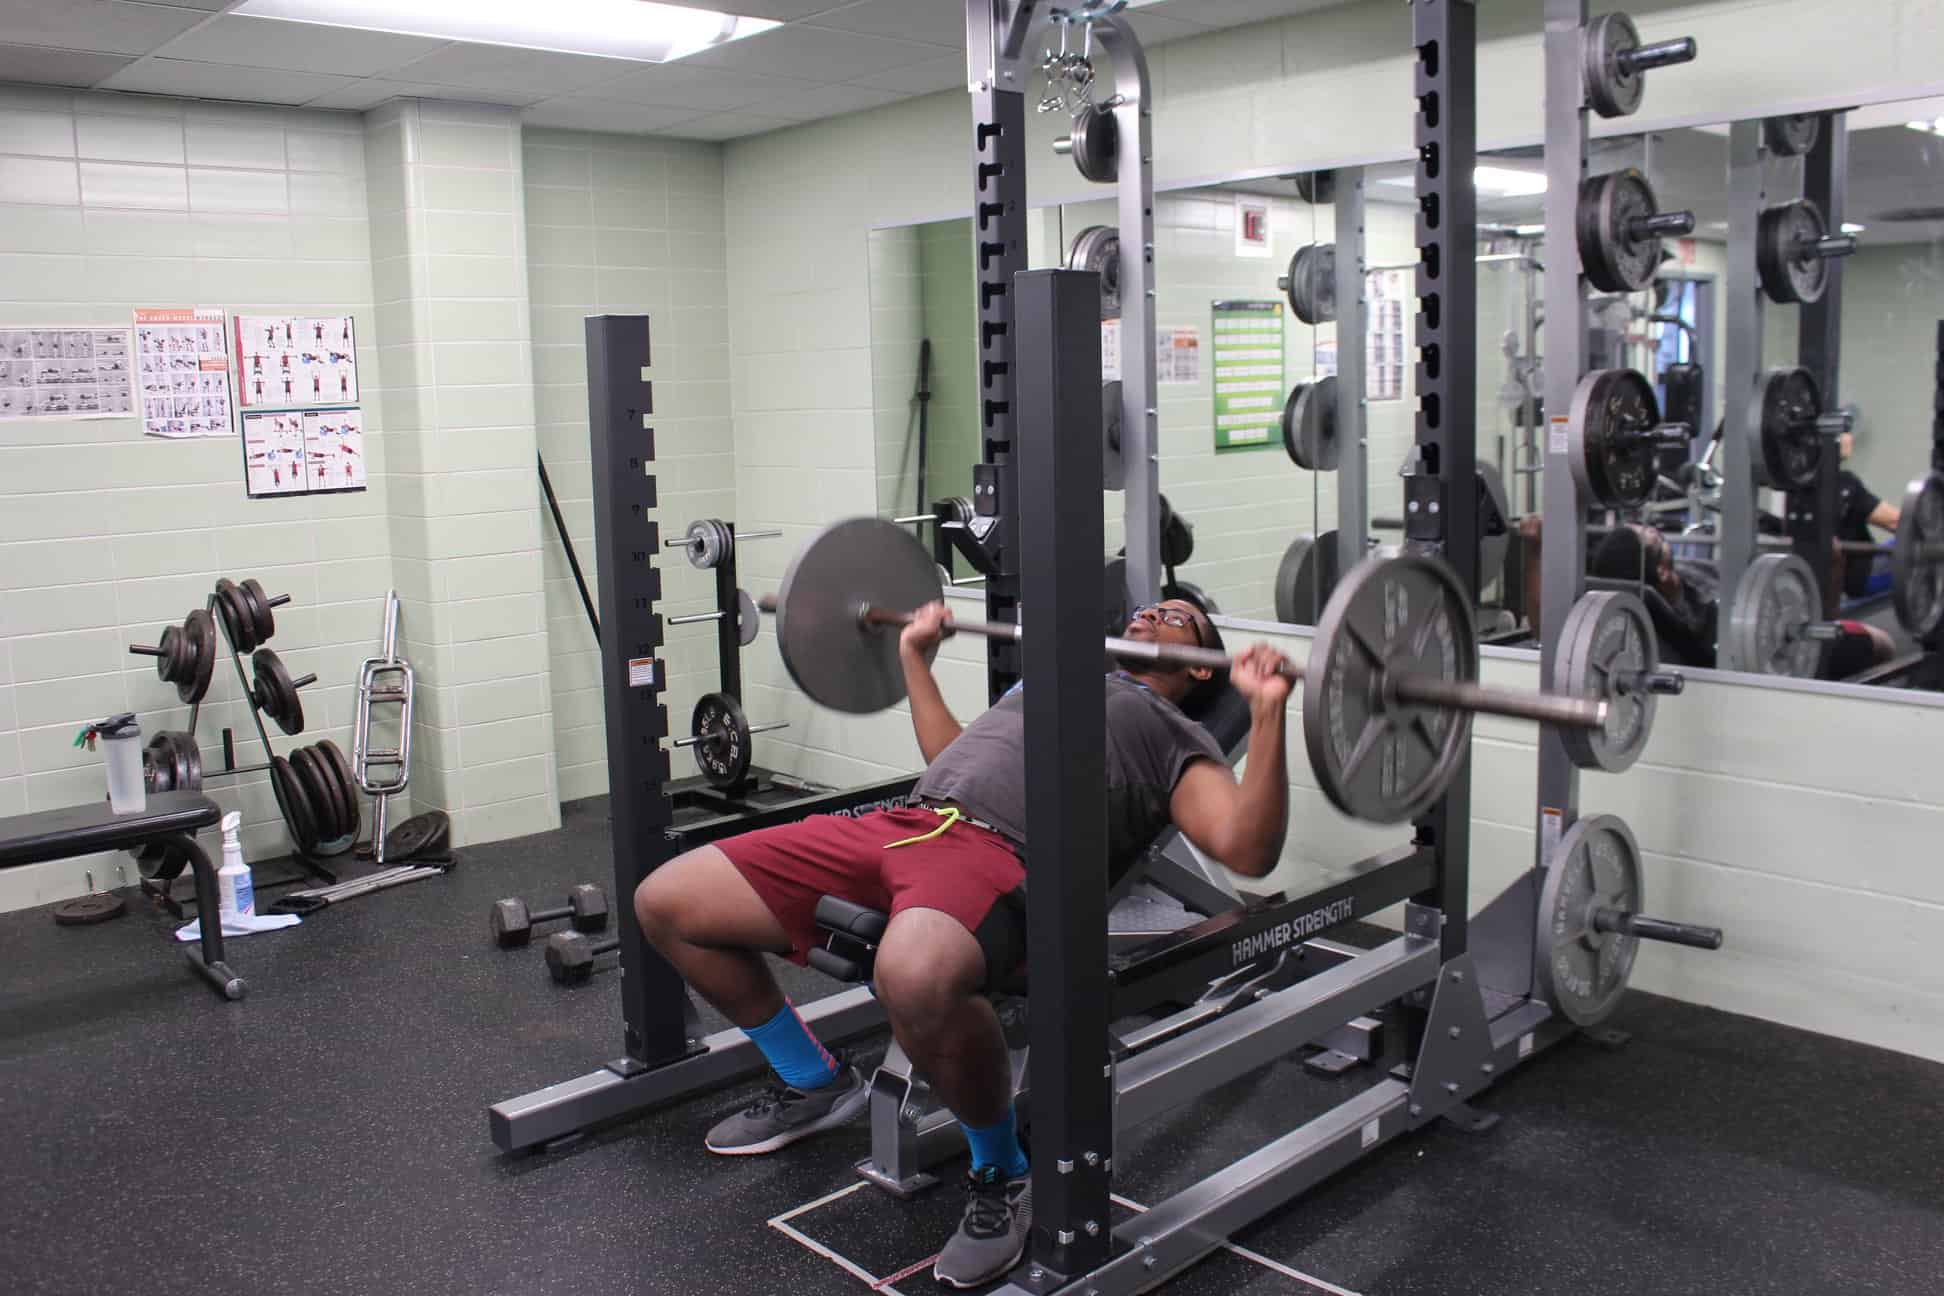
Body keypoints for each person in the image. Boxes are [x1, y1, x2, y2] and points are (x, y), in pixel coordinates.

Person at [635, 598, 1294, 1289]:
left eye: (1175, 618)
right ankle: (815, 1081)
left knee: (914, 974)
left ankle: (1004, 1171)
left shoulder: (1169, 731)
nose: (1150, 613)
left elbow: (1247, 848)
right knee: (668, 901)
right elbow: (947, 757)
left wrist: (1269, 709)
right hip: (906, 821)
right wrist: (914, 659)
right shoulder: (1046, 684)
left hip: (1001, 856)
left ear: (1195, 668)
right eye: (1146, 608)